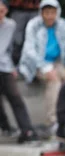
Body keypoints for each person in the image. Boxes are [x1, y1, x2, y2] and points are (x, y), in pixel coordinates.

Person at [18, 0, 65, 131]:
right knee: (54, 80)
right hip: (36, 65)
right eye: (47, 13)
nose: (50, 16)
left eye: (52, 13)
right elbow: (29, 51)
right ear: (42, 13)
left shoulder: (63, 24)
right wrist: (45, 67)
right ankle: (53, 121)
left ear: (57, 13)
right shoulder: (33, 25)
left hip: (58, 62)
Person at [0, 0, 39, 143]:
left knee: (15, 98)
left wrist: (12, 66)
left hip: (4, 67)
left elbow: (10, 49)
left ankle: (27, 130)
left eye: (3, 11)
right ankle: (5, 126)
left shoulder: (10, 25)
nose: (1, 14)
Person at [7, 0, 40, 65]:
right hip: (17, 8)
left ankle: (32, 65)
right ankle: (13, 65)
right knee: (16, 40)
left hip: (35, 8)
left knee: (35, 39)